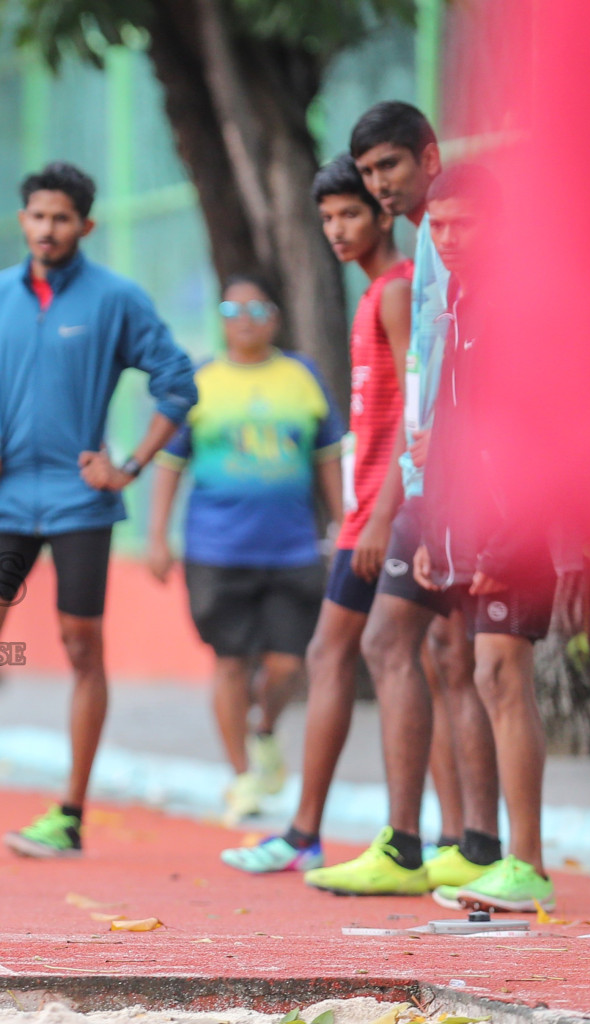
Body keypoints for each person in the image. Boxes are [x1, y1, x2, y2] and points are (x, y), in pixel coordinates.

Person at [0, 161, 197, 859]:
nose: (47, 229)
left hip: (79, 503)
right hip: (2, 497)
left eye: (62, 218)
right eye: (37, 216)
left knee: (80, 646)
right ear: (22, 220)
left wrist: (127, 467)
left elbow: (178, 384)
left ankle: (68, 814)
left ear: (84, 226)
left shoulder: (116, 299)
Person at [305, 102, 501, 899]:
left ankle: (424, 843)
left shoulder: (449, 250)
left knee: (400, 646)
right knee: (446, 656)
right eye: (370, 171)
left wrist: (391, 508)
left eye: (389, 167)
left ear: (429, 156)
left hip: (462, 486)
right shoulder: (428, 249)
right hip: (430, 485)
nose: (381, 184)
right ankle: (466, 843)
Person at [221, 155, 415, 871]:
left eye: (351, 215)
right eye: (328, 217)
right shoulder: (371, 297)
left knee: (388, 656)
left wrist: (384, 514)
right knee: (338, 654)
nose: (336, 229)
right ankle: (314, 834)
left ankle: (415, 840)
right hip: (368, 511)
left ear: (383, 215)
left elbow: (414, 414)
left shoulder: (396, 293)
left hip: (388, 513)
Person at [410, 164, 557, 912]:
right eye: (438, 227)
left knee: (501, 675)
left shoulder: (522, 302)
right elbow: (449, 431)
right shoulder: (457, 301)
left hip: (520, 523)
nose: (450, 238)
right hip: (471, 526)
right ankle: (508, 857)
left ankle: (526, 861)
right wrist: (439, 529)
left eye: (464, 223)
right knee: (483, 674)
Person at [146, 276, 345, 826]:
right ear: (221, 318)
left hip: (292, 547)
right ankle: (241, 777)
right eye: (234, 309)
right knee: (229, 661)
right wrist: (157, 535)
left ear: (274, 318)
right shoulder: (201, 381)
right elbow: (169, 463)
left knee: (287, 664)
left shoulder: (301, 376)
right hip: (216, 548)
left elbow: (328, 451)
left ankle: (262, 730)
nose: (247, 319)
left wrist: (346, 522)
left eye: (259, 309)